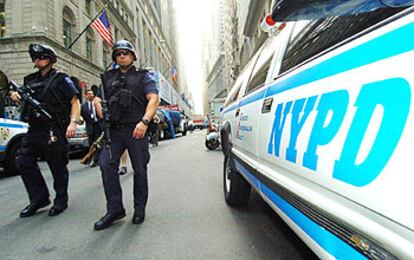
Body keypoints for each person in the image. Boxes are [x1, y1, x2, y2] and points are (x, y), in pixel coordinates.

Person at [93, 40, 159, 230]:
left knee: (139, 169)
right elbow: (98, 96)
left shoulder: (143, 77)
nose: (122, 56)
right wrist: (97, 103)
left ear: (132, 56)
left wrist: (144, 121)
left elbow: (153, 98)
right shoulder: (107, 77)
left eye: (125, 53)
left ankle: (139, 208)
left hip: (136, 129)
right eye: (118, 53)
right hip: (113, 130)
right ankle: (115, 209)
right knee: (106, 164)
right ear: (114, 57)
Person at [10, 43, 80, 217]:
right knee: (23, 160)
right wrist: (16, 98)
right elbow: (24, 104)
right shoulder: (29, 80)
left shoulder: (61, 79)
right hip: (34, 128)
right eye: (35, 58)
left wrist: (73, 123)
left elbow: (75, 101)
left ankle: (61, 200)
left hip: (54, 128)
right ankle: (39, 198)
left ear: (50, 59)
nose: (38, 60)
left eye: (42, 57)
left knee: (57, 166)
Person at [81, 89, 102, 167]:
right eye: (89, 94)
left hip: (98, 125)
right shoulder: (83, 106)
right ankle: (91, 158)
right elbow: (81, 116)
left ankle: (97, 160)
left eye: (92, 94)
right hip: (90, 126)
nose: (91, 95)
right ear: (86, 96)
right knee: (91, 143)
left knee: (98, 143)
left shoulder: (97, 103)